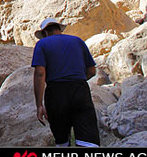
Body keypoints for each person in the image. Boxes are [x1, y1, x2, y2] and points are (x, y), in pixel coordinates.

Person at [31, 18, 100, 147]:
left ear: (45, 33)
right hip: (80, 89)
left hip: (56, 93)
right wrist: (76, 81)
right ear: (59, 28)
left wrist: (39, 105)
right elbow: (91, 71)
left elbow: (40, 73)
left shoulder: (42, 44)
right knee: (87, 140)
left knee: (62, 140)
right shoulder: (78, 41)